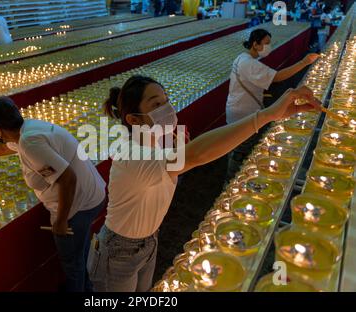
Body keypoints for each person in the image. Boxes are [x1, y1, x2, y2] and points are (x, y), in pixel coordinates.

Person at [87, 75, 321, 292]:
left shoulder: (158, 142)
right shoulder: (131, 154)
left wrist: (181, 151)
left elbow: (182, 164)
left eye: (166, 100)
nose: (167, 108)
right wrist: (266, 115)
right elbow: (196, 156)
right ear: (134, 119)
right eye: (156, 105)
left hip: (150, 240)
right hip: (118, 251)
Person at [0, 97, 106, 292]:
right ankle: (87, 288)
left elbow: (67, 179)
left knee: (73, 264)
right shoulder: (26, 129)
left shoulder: (30, 142)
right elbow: (5, 147)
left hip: (78, 205)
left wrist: (61, 221)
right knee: (80, 253)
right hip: (92, 193)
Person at [225, 29, 320, 180]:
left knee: (236, 145)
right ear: (255, 44)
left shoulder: (243, 58)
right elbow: (277, 77)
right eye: (266, 43)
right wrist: (304, 62)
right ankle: (233, 180)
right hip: (243, 113)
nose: (269, 47)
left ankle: (238, 175)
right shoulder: (248, 63)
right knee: (240, 149)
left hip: (239, 109)